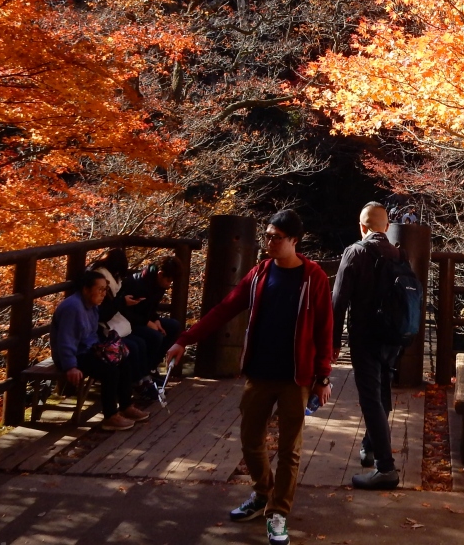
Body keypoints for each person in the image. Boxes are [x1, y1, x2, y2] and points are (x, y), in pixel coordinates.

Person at [165, 209, 333, 545]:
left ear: (294, 241)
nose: (270, 242)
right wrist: (185, 339)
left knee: (290, 449)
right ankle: (262, 493)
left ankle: (278, 515)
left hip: (295, 376)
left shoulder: (314, 278)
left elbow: (324, 329)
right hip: (259, 371)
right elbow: (224, 308)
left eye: (277, 237)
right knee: (250, 440)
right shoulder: (259, 274)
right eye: (267, 236)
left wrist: (323, 377)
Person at [332, 201, 402, 490]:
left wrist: (333, 342)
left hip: (364, 337)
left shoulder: (355, 252)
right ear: (386, 228)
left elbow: (338, 302)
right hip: (392, 337)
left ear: (362, 227)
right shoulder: (398, 253)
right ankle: (371, 446)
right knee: (382, 393)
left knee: (370, 398)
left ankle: (385, 468)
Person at [51, 270, 148, 431]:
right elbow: (65, 340)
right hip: (72, 356)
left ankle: (126, 406)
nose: (103, 294)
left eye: (105, 289)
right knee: (110, 371)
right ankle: (110, 416)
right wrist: (70, 366)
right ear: (86, 289)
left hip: (88, 349)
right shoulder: (73, 308)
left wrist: (105, 348)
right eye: (100, 289)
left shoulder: (91, 306)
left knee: (123, 361)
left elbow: (91, 335)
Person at [89, 248, 151, 388]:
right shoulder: (101, 279)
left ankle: (143, 378)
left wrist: (122, 302)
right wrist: (122, 302)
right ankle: (136, 383)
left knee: (140, 343)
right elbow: (104, 313)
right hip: (102, 328)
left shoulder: (112, 279)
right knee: (133, 346)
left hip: (113, 323)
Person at [121, 254, 183, 371]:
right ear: (160, 274)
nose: (169, 285)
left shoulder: (159, 284)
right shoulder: (137, 283)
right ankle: (144, 372)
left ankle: (151, 368)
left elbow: (151, 308)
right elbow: (126, 312)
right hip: (129, 322)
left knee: (174, 326)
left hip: (145, 319)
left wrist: (156, 320)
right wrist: (148, 323)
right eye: (168, 280)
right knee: (156, 336)